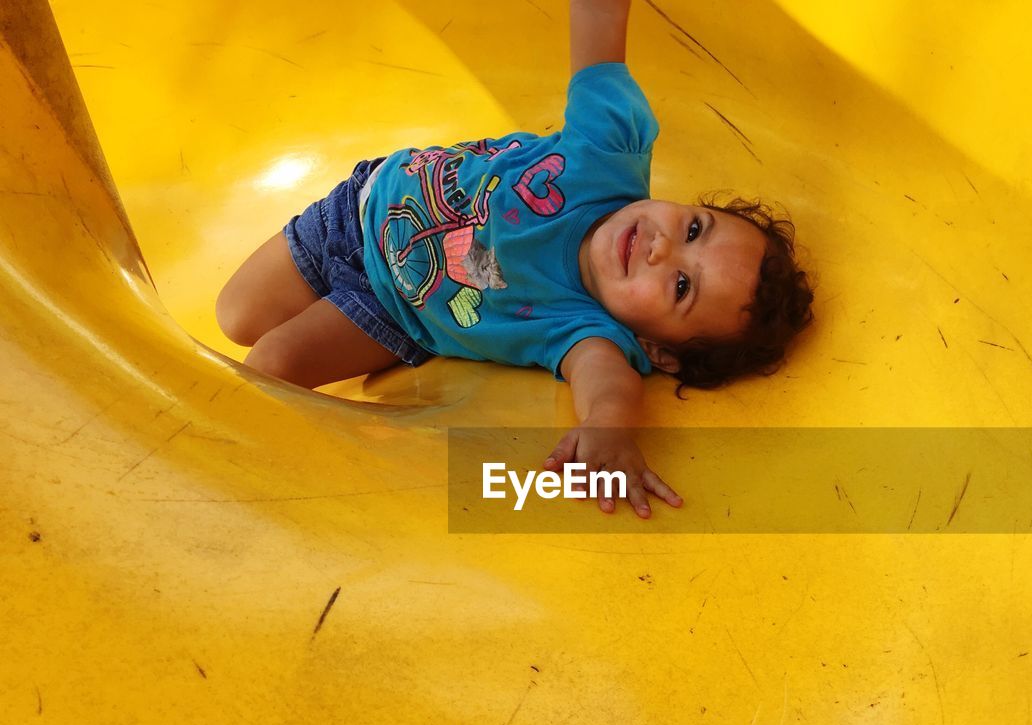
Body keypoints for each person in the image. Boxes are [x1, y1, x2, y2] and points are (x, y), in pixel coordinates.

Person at [215, 0, 813, 518]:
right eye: (693, 227)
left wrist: (608, 437)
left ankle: (229, 494)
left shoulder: (585, 331)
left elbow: (608, 390)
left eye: (682, 286)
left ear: (656, 349)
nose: (661, 247)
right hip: (358, 207)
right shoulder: (609, 151)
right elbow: (600, 28)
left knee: (269, 363)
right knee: (233, 317)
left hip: (388, 307)